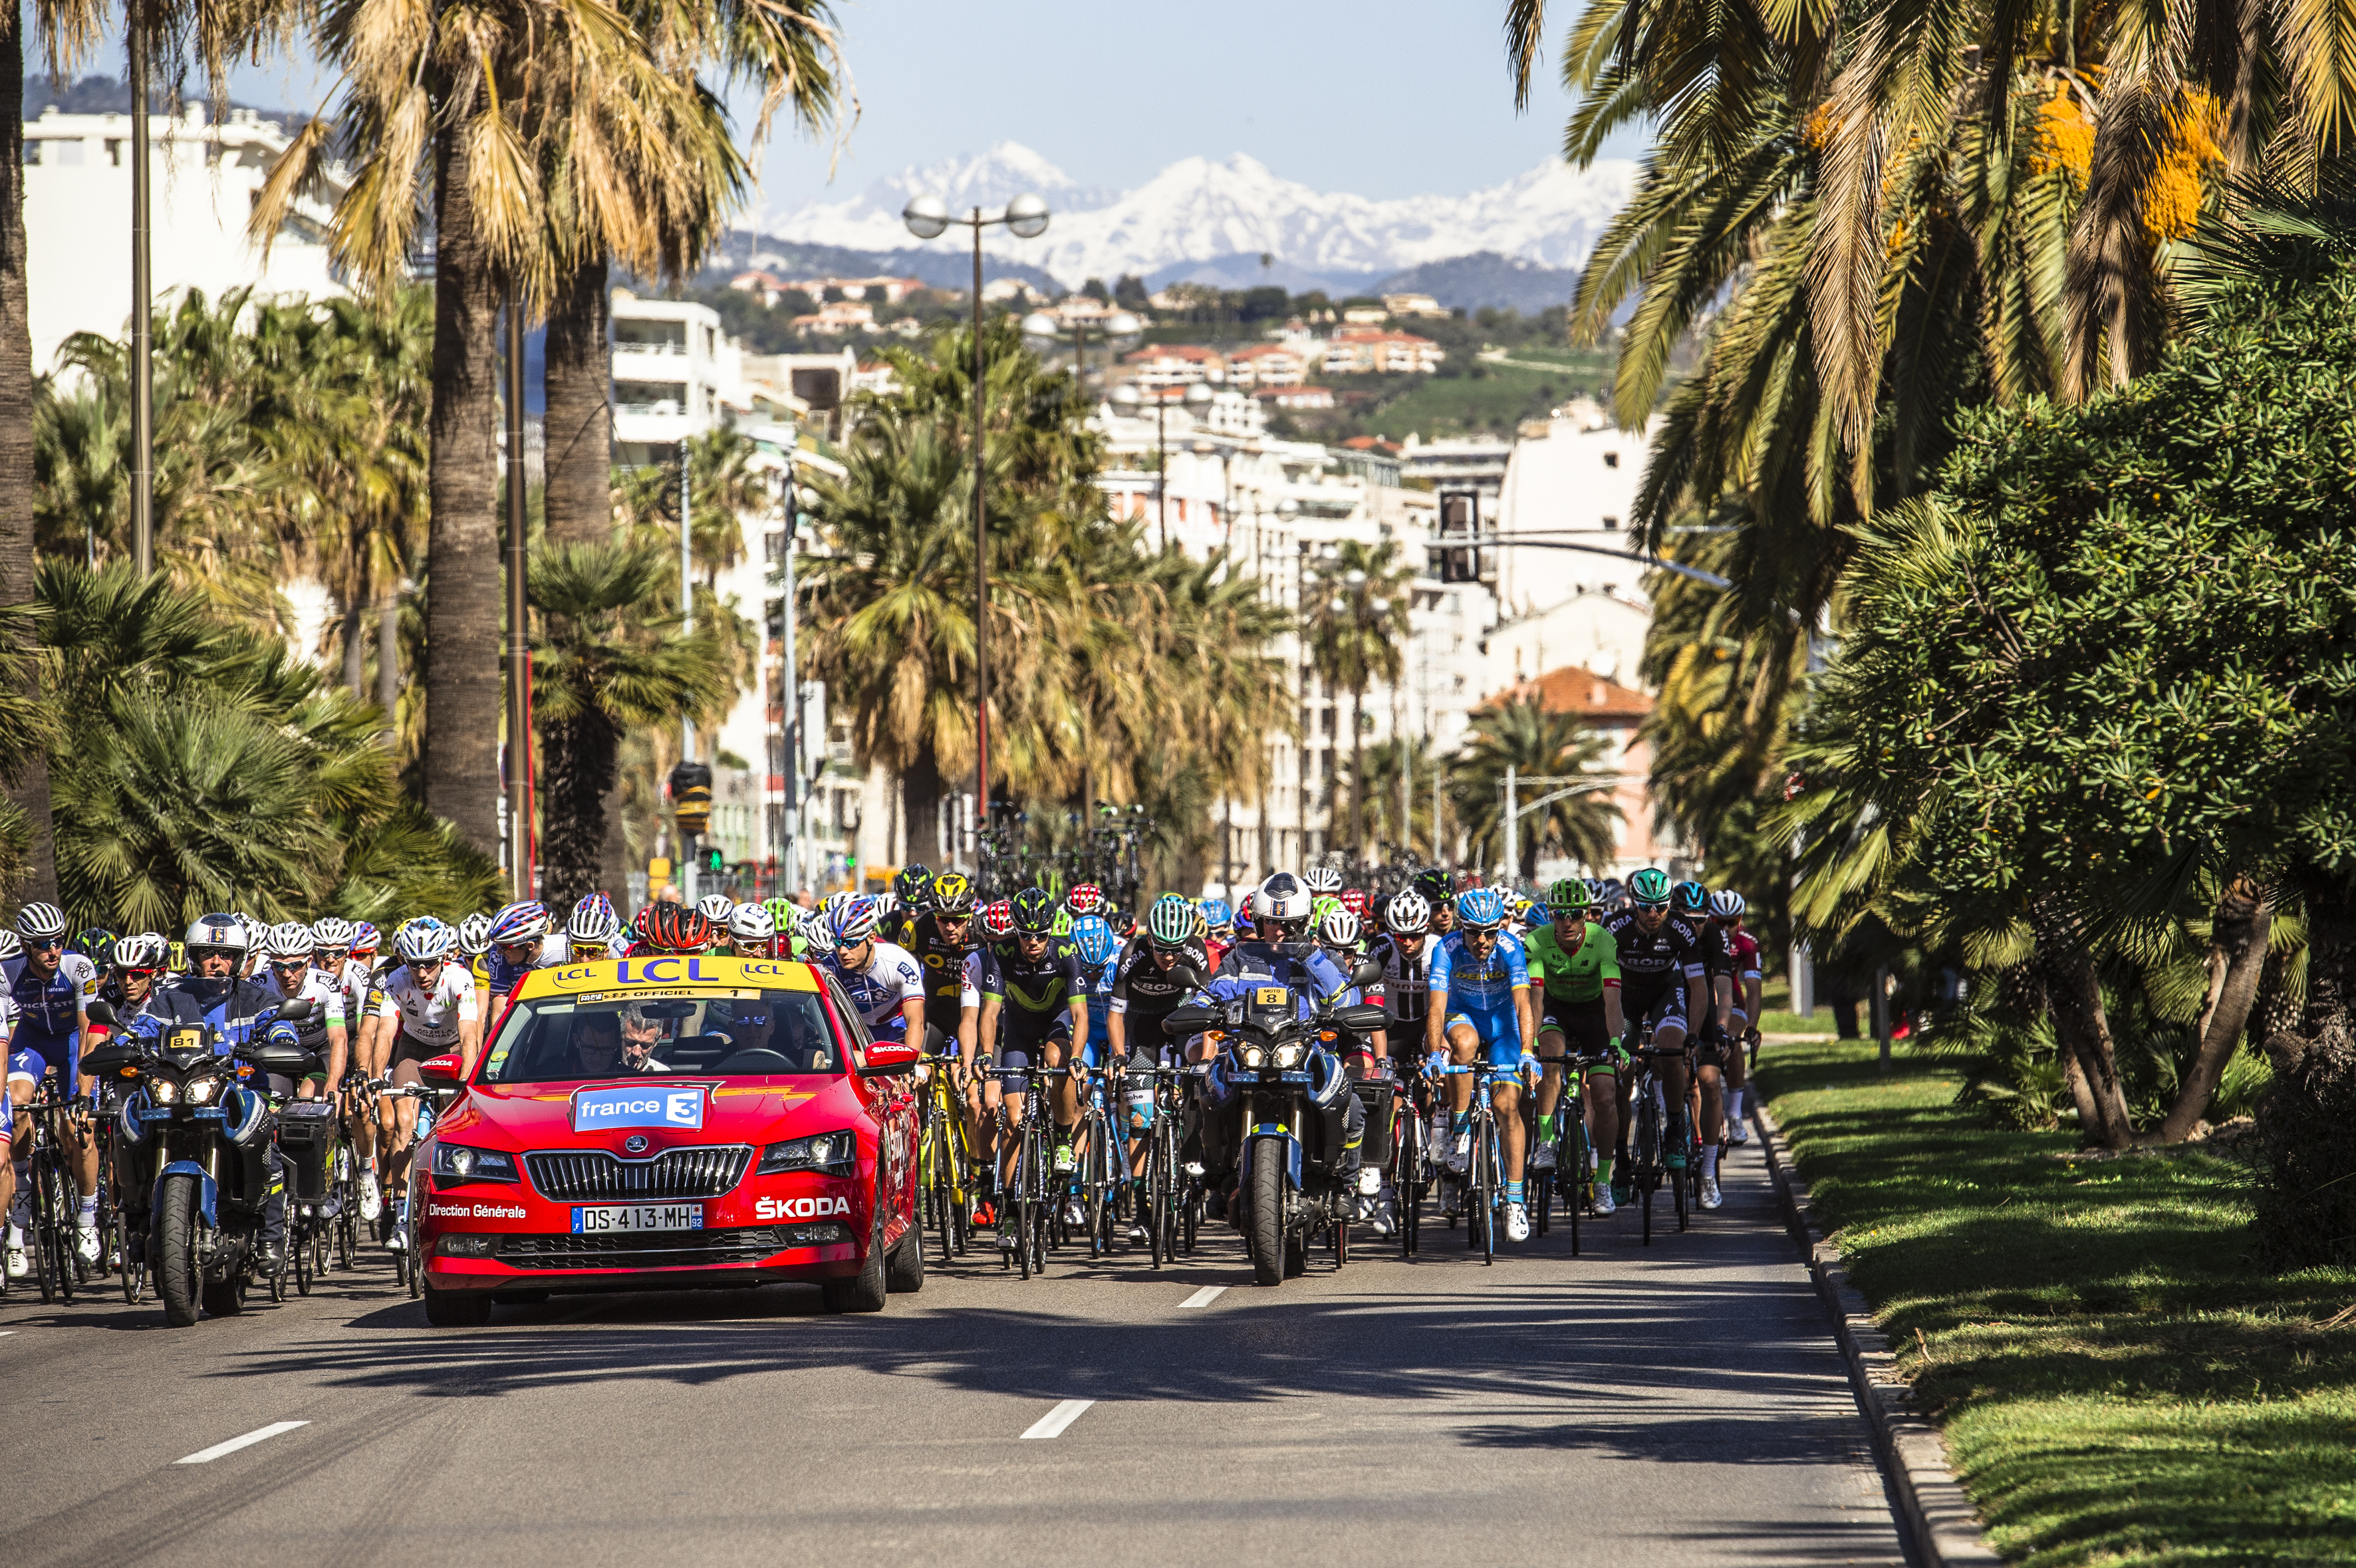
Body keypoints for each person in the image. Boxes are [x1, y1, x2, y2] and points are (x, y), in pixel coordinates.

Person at [162, 913, 290, 1267]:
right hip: (183, 1092)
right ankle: (134, 1220)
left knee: (270, 1150)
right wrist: (125, 1042)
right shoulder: (171, 998)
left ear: (239, 959)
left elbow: (278, 1025)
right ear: (192, 956)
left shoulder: (256, 998)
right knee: (131, 1128)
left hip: (244, 1090)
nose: (217, 962)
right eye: (207, 953)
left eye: (226, 955)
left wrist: (280, 1039)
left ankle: (271, 1236)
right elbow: (143, 1027)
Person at [962, 887, 1086, 1249]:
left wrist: (1077, 1057)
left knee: (1056, 1061)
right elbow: (990, 1011)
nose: (1033, 942)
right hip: (1017, 1032)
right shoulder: (1001, 953)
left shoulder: (1065, 952)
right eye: (1026, 934)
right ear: (1015, 930)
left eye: (1040, 935)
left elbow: (1079, 1014)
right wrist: (986, 1054)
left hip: (1056, 1025)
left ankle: (1062, 1138)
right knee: (1014, 1119)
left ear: (1050, 931)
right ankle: (1013, 1211)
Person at [1426, 886, 1538, 1241]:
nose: (1483, 939)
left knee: (1507, 1107)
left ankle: (1516, 1200)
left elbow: (1523, 1005)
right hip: (1465, 1018)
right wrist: (1433, 1052)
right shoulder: (1447, 949)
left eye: (1491, 931)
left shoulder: (1510, 948)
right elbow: (1437, 1008)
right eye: (1475, 931)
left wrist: (1528, 1053)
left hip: (1505, 1027)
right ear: (1462, 927)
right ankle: (1460, 1128)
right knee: (1464, 1043)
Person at [1601, 868, 1717, 1208]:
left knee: (1671, 1052)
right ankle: (1621, 1160)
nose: (1654, 914)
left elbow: (1698, 987)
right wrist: (1612, 1039)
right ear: (1634, 904)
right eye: (1646, 907)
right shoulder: (1615, 928)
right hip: (1626, 998)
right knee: (1620, 1074)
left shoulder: (1681, 928)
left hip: (1666, 994)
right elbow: (1605, 986)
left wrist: (1693, 1034)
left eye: (1661, 907)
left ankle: (1675, 1132)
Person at [371, 917, 482, 1253]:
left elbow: (469, 1035)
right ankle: (401, 1214)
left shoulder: (460, 978)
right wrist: (378, 1078)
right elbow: (386, 1033)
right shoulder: (396, 980)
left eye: (430, 964)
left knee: (453, 1128)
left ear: (443, 959)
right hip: (415, 1050)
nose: (421, 973)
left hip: (451, 1049)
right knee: (404, 1123)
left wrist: (467, 1080)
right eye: (414, 964)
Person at [4, 901, 102, 1269]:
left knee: (81, 1129)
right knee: (16, 1108)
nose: (53, 950)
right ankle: (24, 1195)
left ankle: (87, 1218)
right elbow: (7, 1029)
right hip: (31, 1042)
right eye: (44, 944)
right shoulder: (8, 972)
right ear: (27, 946)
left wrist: (82, 1092)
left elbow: (88, 1030)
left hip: (72, 1044)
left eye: (59, 941)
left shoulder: (79, 967)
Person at [1521, 878, 1627, 1214]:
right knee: (1550, 1059)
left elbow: (1613, 1002)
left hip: (1595, 1014)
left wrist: (1614, 1042)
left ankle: (1604, 1180)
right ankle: (1548, 1141)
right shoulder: (1536, 941)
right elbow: (1536, 998)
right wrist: (1532, 1044)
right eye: (1560, 914)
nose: (1567, 921)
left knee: (1605, 1093)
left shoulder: (1603, 942)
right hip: (1556, 1011)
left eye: (1575, 914)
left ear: (1586, 916)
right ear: (1551, 915)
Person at [809, 895, 924, 1046]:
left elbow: (916, 1021)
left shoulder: (899, 961)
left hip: (895, 1025)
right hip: (856, 1030)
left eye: (851, 943)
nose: (843, 951)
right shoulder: (830, 968)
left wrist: (910, 1065)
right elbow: (825, 1026)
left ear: (871, 938)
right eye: (838, 943)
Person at [259, 922, 350, 1103]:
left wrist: (332, 1085)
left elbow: (338, 1038)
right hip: (279, 1052)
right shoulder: (259, 984)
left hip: (318, 1050)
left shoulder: (326, 983)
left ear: (309, 961)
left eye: (295, 966)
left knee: (307, 1098)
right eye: (278, 965)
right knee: (271, 1103)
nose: (286, 974)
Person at [1710, 890, 1762, 1145]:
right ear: (1711, 919)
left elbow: (1753, 991)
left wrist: (1752, 1026)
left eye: (1734, 921)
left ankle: (1734, 1115)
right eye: (1721, 922)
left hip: (1733, 1000)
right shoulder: (1698, 936)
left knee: (1732, 1041)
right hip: (1703, 999)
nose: (1728, 928)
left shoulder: (1747, 942)